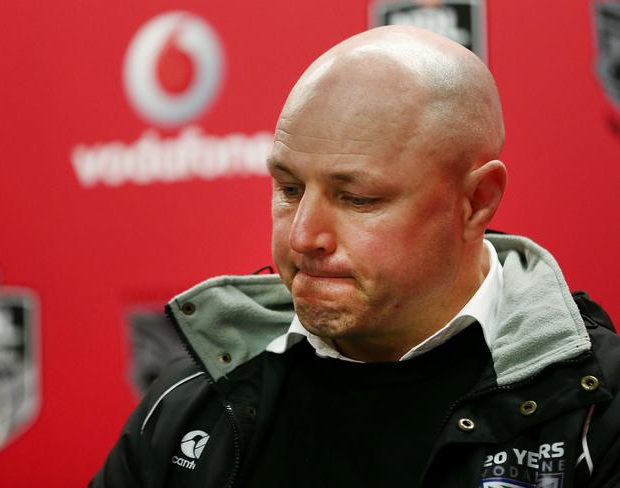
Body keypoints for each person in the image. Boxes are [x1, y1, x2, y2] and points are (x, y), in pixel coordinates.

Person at [90, 26, 620, 487]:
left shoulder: (597, 408)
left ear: (476, 201)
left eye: (358, 198)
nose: (303, 238)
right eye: (290, 189)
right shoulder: (191, 399)